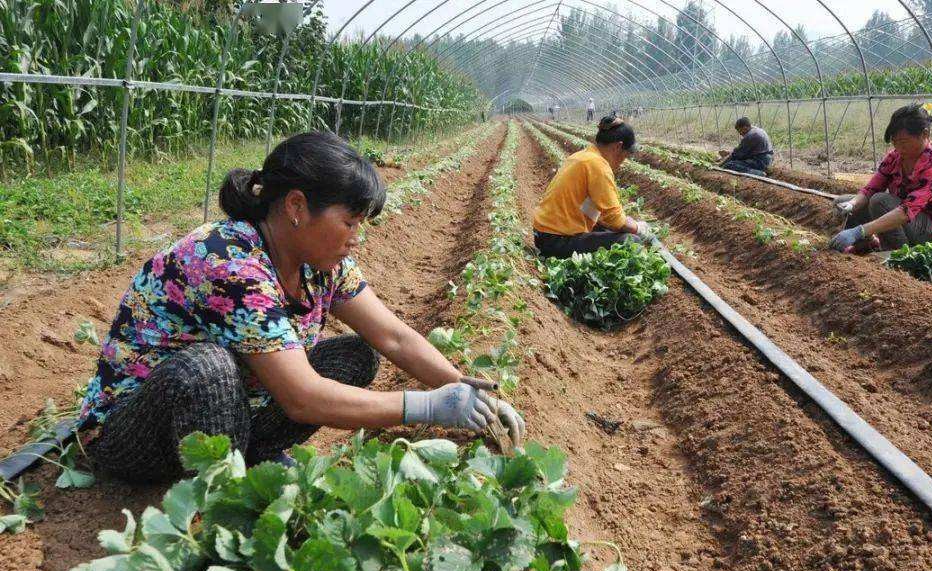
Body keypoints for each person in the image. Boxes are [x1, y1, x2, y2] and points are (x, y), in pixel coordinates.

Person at [77, 131, 525, 483]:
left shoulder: (323, 265)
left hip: (232, 411)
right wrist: (427, 407)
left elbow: (393, 336)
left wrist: (469, 391)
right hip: (138, 432)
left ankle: (252, 457)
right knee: (208, 370)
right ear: (296, 207)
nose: (357, 236)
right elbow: (302, 397)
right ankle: (222, 491)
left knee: (356, 354)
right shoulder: (227, 261)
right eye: (349, 222)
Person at [829, 103, 932, 252]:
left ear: (925, 134)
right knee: (843, 202)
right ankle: (867, 244)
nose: (898, 147)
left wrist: (859, 230)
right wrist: (852, 204)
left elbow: (906, 212)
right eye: (895, 142)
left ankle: (897, 253)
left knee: (880, 201)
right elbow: (871, 188)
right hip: (904, 217)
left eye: (903, 142)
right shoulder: (895, 158)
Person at [532, 115, 652, 259]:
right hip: (556, 241)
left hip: (543, 235)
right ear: (618, 146)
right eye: (625, 156)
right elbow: (615, 219)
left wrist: (624, 222)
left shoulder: (582, 156)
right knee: (630, 241)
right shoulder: (598, 166)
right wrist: (638, 228)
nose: (622, 162)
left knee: (608, 229)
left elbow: (593, 209)